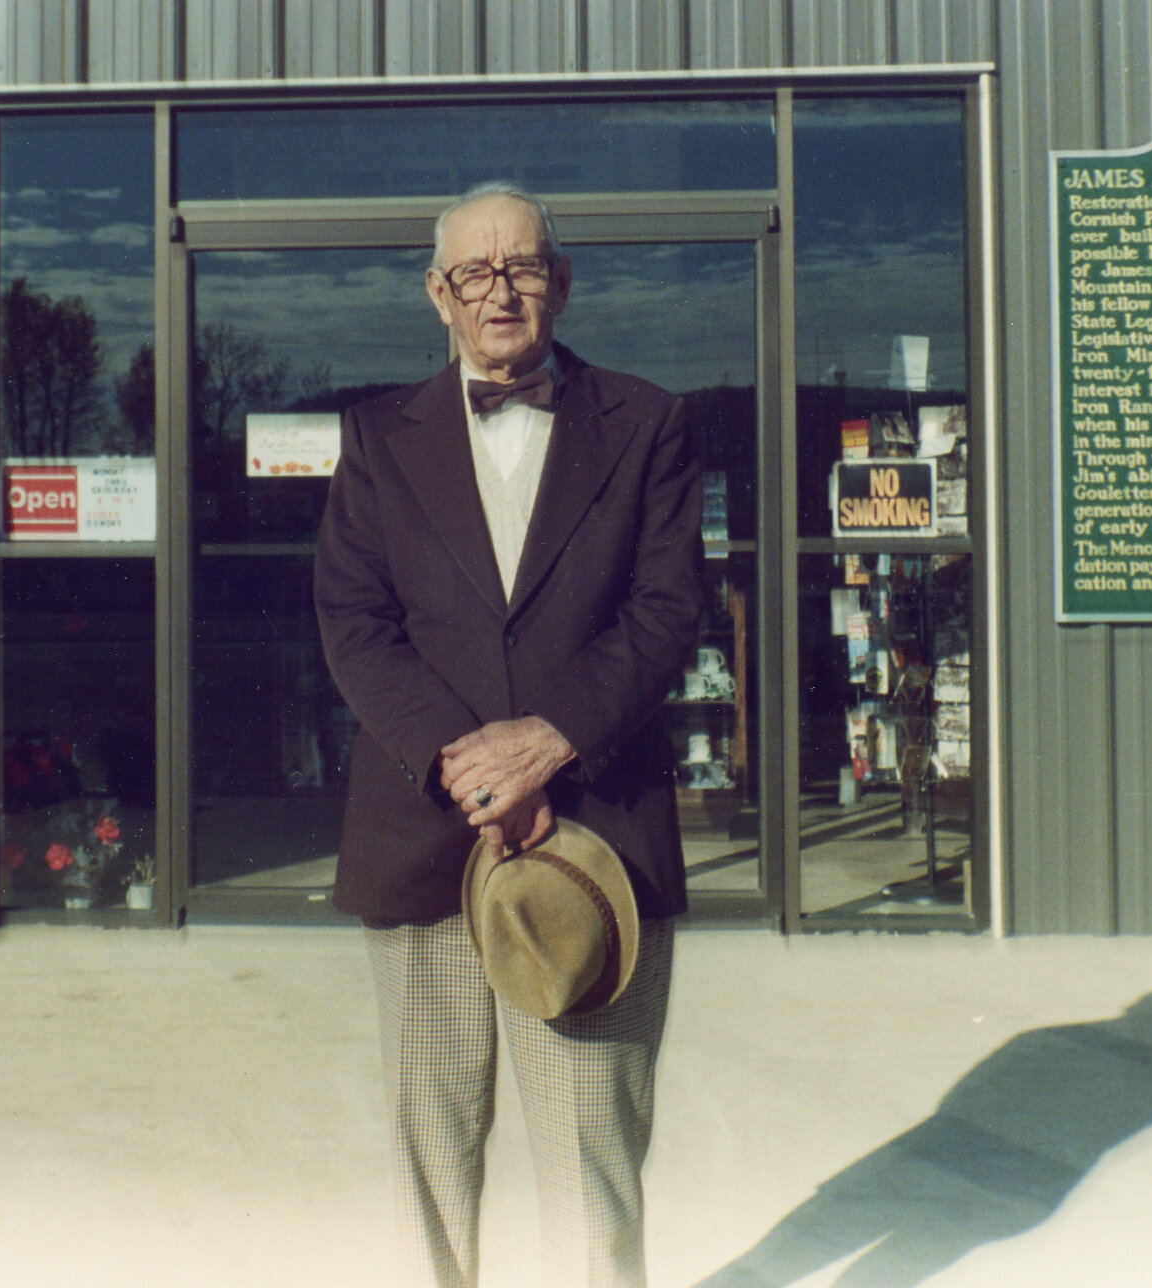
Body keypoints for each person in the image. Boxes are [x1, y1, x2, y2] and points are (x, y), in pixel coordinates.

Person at [315, 180, 705, 1288]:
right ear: (437, 294)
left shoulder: (648, 424)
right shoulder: (376, 437)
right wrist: (469, 763)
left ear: (561, 283)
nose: (502, 290)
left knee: (593, 1160)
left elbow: (666, 611)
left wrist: (550, 742)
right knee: (430, 1157)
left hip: (591, 852)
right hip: (425, 835)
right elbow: (354, 620)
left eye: (524, 266)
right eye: (476, 272)